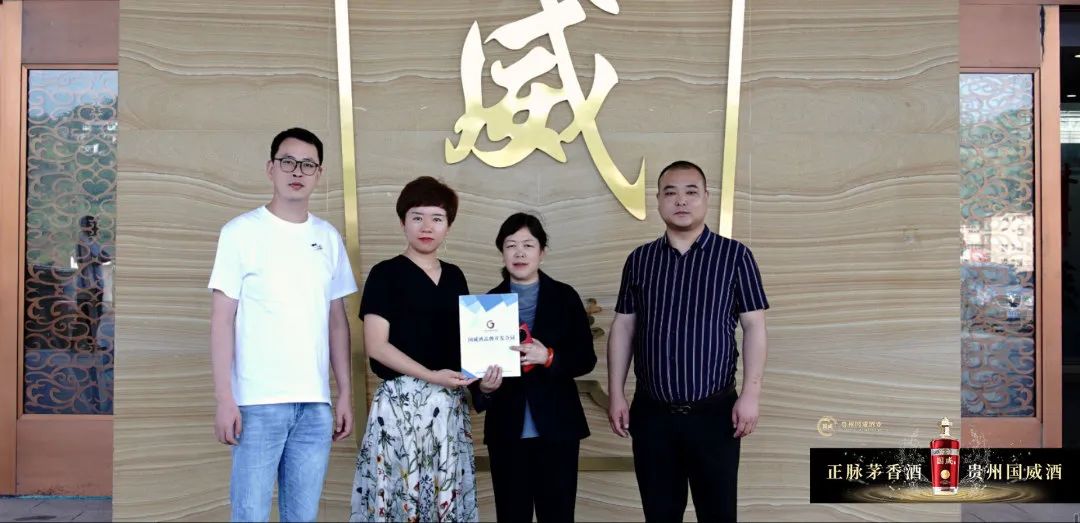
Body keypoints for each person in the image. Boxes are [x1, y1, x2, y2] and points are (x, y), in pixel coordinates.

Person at [606, 160, 769, 522]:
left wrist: (751, 394)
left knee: (718, 514)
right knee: (659, 515)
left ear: (706, 197)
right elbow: (624, 327)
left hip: (715, 413)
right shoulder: (640, 260)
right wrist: (616, 393)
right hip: (652, 414)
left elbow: (755, 326)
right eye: (671, 193)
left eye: (691, 192)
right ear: (658, 201)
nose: (681, 200)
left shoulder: (735, 256)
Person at [208, 127, 357, 522]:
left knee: (302, 517)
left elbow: (337, 323)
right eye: (288, 162)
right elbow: (222, 320)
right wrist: (225, 398)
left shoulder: (328, 238)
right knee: (250, 515)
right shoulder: (240, 232)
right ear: (270, 168)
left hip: (314, 405)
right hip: (256, 404)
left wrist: (344, 393)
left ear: (319, 174)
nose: (297, 171)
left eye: (308, 165)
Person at [351, 176, 478, 522]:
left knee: (444, 497)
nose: (426, 227)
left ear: (448, 226)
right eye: (417, 217)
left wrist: (487, 376)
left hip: (448, 407)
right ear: (402, 222)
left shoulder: (455, 276)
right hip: (400, 405)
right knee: (399, 497)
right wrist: (431, 376)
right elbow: (376, 346)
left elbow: (468, 343)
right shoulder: (385, 274)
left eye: (437, 218)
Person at [472, 212, 597, 522]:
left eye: (528, 245)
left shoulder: (565, 297)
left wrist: (549, 357)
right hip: (506, 432)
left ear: (542, 252)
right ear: (502, 252)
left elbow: (586, 358)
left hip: (558, 431)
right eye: (511, 245)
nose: (520, 253)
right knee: (511, 515)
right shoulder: (485, 305)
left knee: (558, 515)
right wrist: (484, 388)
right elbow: (476, 375)